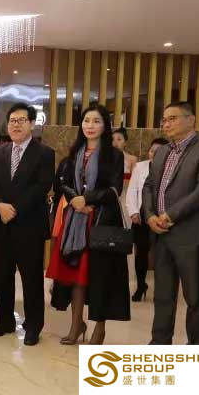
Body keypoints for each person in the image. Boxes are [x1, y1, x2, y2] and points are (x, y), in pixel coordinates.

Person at [46, 104, 128, 345]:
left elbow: (114, 189)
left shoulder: (114, 156)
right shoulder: (73, 154)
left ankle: (99, 329)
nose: (90, 126)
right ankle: (76, 325)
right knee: (75, 277)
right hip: (74, 221)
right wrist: (76, 200)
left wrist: (88, 199)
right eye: (86, 121)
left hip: (100, 223)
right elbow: (61, 183)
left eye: (96, 121)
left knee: (99, 278)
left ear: (105, 126)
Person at [142, 102, 199, 345]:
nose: (166, 124)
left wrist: (169, 215)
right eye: (164, 120)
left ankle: (195, 350)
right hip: (161, 234)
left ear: (191, 119)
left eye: (172, 118)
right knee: (163, 296)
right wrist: (150, 215)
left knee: (194, 297)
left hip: (190, 234)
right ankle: (159, 344)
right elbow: (149, 186)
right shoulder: (162, 151)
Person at [0, 103, 55, 346]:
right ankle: (4, 321)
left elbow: (41, 186)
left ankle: (33, 326)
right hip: (2, 224)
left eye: (21, 120)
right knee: (2, 277)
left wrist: (13, 208)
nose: (15, 125)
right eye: (12, 121)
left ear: (32, 124)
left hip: (29, 225)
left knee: (31, 279)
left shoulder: (44, 153)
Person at [125, 137, 168, 302]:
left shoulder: (172, 168)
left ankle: (162, 289)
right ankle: (141, 285)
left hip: (163, 216)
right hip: (142, 216)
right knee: (141, 253)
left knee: (161, 255)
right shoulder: (140, 167)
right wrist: (133, 212)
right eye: (151, 151)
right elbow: (132, 191)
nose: (153, 154)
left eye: (158, 151)